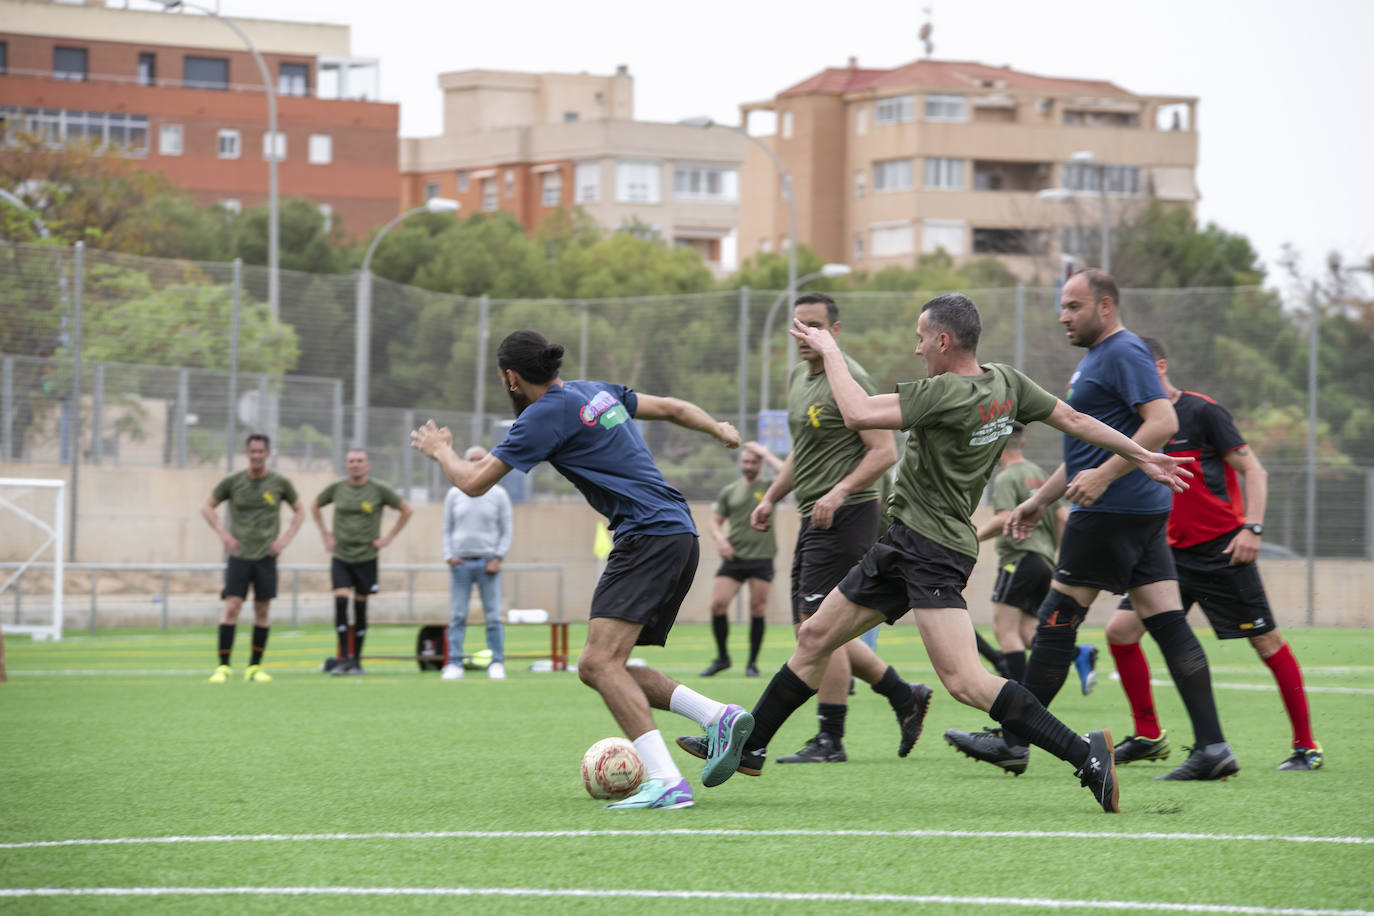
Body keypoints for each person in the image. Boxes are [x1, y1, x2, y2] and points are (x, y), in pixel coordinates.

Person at [706, 294, 1194, 814]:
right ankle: (752, 744)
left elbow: (855, 412)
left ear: (942, 340)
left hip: (931, 550)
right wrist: (1141, 454)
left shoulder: (944, 393)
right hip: (905, 541)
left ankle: (1085, 754)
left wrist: (829, 350)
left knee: (965, 681)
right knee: (816, 636)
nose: (917, 349)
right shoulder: (1006, 381)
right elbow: (1073, 419)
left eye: (921, 338)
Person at [411, 329, 750, 810]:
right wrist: (719, 428)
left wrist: (440, 451)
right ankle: (717, 716)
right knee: (616, 664)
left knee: (596, 664)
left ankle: (667, 781)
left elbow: (472, 482)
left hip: (646, 537)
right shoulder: (595, 390)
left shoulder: (541, 415)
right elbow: (673, 408)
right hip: (678, 532)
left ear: (511, 377)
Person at [945, 269, 1237, 782]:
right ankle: (1213, 746)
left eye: (1074, 306)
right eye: (1062, 305)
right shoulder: (1097, 360)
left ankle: (1014, 739)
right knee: (1168, 624)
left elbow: (1163, 422)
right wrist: (1038, 500)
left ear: (1105, 306)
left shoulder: (1123, 351)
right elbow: (1084, 449)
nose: (1063, 315)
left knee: (1056, 622)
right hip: (1135, 511)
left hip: (1110, 512)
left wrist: (1102, 478)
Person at [688, 292, 930, 768]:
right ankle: (904, 695)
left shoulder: (851, 378)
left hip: (849, 515)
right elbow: (804, 448)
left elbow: (884, 452)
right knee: (809, 629)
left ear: (834, 331)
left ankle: (830, 737)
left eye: (814, 326)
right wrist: (773, 497)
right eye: (797, 326)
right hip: (812, 516)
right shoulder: (800, 378)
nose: (804, 336)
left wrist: (838, 493)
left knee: (822, 630)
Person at [1106, 337, 1322, 771]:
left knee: (1265, 641)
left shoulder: (1203, 411)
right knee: (1120, 632)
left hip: (1222, 551)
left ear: (1161, 366)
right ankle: (1149, 734)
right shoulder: (1138, 422)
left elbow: (1253, 470)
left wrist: (1252, 528)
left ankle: (1306, 747)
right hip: (1166, 556)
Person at [974, 422, 1084, 689]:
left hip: (1020, 559)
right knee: (1027, 633)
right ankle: (1077, 654)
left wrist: (971, 538)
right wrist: (1052, 551)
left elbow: (1003, 518)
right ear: (1022, 444)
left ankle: (1022, 701)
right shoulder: (1040, 474)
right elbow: (1062, 516)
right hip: (1044, 562)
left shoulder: (1006, 477)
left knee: (1005, 631)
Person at [200, 434, 304, 683]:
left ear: (268, 454)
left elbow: (300, 510)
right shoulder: (234, 482)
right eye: (252, 451)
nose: (256, 456)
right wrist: (224, 535)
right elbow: (207, 507)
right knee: (232, 606)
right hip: (239, 556)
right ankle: (223, 667)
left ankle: (254, 668)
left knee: (263, 609)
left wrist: (284, 540)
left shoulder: (279, 483)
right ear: (247, 454)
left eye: (261, 452)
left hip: (266, 557)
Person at [310, 448, 413, 676]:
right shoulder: (338, 489)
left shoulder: (378, 489)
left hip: (366, 558)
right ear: (346, 465)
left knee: (360, 608)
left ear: (367, 465)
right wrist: (325, 534)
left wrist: (388, 538)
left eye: (359, 461)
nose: (355, 464)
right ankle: (343, 659)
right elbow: (315, 505)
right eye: (351, 461)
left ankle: (355, 660)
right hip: (341, 557)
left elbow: (406, 509)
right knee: (340, 603)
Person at [699, 440, 783, 679]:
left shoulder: (770, 487)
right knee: (717, 604)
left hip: (762, 557)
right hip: (734, 557)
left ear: (760, 464)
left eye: (753, 461)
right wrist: (721, 540)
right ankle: (722, 658)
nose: (749, 465)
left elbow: (791, 473)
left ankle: (752, 664)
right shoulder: (730, 491)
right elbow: (714, 521)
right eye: (745, 461)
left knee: (757, 609)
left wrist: (766, 453)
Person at [440, 446, 514, 682]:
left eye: (479, 459)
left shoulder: (499, 494)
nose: (474, 462)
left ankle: (497, 662)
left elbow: (506, 529)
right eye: (470, 459)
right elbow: (447, 529)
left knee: (493, 616)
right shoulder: (454, 494)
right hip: (461, 563)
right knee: (458, 615)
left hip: (488, 563)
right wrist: (449, 555)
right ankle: (454, 662)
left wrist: (498, 557)